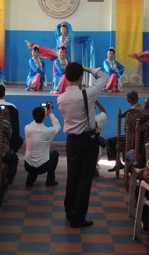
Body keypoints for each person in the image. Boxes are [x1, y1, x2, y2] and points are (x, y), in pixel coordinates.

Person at [57, 62, 108, 228]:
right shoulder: (88, 94)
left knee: (72, 176)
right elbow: (104, 76)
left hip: (71, 142)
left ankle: (69, 210)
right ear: (81, 77)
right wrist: (86, 68)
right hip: (88, 140)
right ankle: (78, 217)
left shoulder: (60, 99)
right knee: (85, 179)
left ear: (66, 77)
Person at [24, 104, 61, 187]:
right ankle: (50, 180)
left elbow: (36, 123)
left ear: (33, 117)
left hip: (28, 166)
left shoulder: (27, 128)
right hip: (43, 167)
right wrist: (50, 113)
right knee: (54, 154)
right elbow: (57, 126)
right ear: (43, 117)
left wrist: (45, 113)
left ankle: (30, 179)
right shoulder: (47, 131)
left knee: (34, 159)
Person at [0, 84, 23, 152]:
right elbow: (15, 128)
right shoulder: (12, 108)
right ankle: (11, 151)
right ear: (4, 94)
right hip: (9, 140)